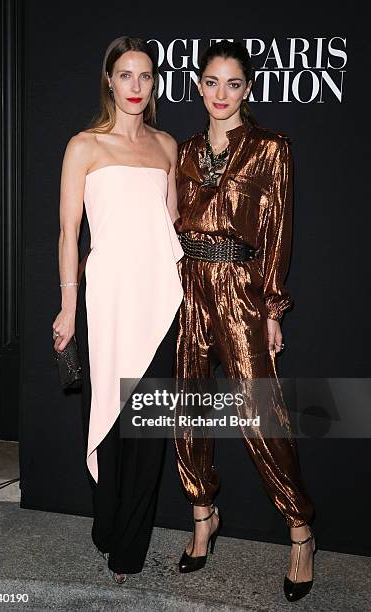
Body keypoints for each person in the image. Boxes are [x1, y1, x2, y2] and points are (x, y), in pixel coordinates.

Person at [173, 40, 316, 602]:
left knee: (260, 413)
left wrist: (273, 308)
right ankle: (203, 515)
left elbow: (279, 234)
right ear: (199, 85)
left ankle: (300, 531)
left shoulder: (270, 148)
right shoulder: (183, 152)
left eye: (233, 84)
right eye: (211, 82)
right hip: (188, 289)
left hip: (241, 292)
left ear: (248, 90)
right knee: (187, 409)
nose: (221, 94)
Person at [52, 36, 183, 584]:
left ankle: (128, 546)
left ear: (154, 84)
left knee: (148, 430)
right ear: (109, 80)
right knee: (110, 417)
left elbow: (171, 227)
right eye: (126, 75)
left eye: (146, 76)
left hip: (159, 299)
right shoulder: (84, 146)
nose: (137, 86)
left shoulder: (167, 146)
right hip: (106, 299)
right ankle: (107, 525)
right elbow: (68, 233)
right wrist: (67, 308)